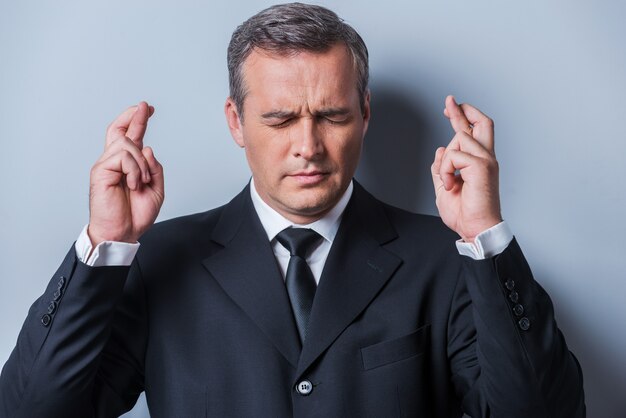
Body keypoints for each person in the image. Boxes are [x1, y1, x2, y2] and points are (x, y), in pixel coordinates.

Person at [0, 3, 585, 417]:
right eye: (279, 120)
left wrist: (486, 236)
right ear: (236, 121)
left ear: (365, 114)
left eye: (331, 116)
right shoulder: (158, 262)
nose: (308, 146)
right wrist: (105, 245)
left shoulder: (448, 258)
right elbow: (30, 410)